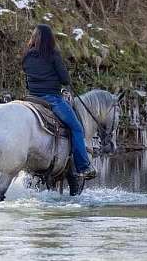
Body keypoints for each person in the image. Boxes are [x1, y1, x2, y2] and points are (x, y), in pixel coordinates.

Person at [22, 24, 97, 180]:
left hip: (31, 98)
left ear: (34, 38)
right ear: (50, 39)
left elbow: (28, 79)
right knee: (76, 128)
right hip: (52, 99)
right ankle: (83, 166)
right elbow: (65, 79)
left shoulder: (27, 56)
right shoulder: (52, 55)